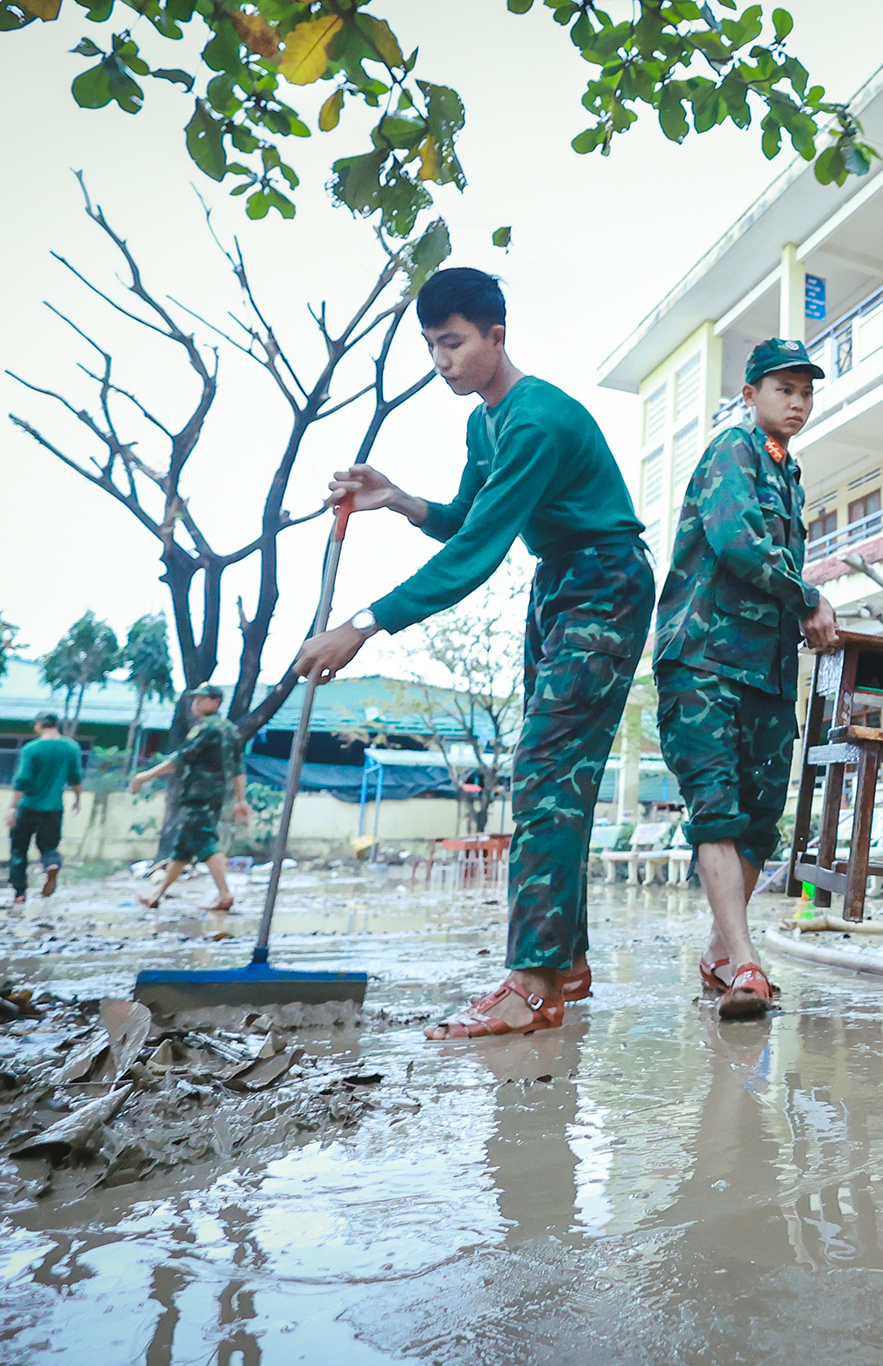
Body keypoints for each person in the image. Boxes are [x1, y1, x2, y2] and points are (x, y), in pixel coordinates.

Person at [292, 267, 654, 1040]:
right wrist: (396, 499)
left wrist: (362, 623)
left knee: (547, 773)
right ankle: (567, 962)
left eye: (452, 342)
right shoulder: (483, 425)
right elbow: (465, 521)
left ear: (496, 336)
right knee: (557, 775)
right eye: (431, 346)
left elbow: (477, 557)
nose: (441, 360)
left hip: (606, 580)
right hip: (559, 581)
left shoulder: (535, 421)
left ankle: (531, 984)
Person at [653, 338, 840, 1018]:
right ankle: (747, 963)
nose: (796, 400)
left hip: (763, 669)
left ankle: (721, 956)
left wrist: (801, 609)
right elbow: (737, 544)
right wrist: (809, 595)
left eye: (806, 390)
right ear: (750, 395)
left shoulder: (788, 472)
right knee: (718, 808)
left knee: (760, 822)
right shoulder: (732, 450)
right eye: (783, 388)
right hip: (702, 658)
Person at [129, 683, 249, 910]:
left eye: (202, 699)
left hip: (198, 794)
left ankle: (224, 894)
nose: (196, 703)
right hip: (215, 796)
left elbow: (182, 758)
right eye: (195, 699)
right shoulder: (231, 729)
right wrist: (240, 798)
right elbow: (237, 768)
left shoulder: (206, 729)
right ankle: (156, 894)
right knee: (183, 848)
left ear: (216, 702)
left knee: (206, 844)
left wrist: (146, 775)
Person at [4, 712, 83, 907]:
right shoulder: (71, 747)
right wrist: (78, 799)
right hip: (54, 808)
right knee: (49, 847)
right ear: (57, 725)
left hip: (28, 806)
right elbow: (75, 776)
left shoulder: (31, 748)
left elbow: (23, 779)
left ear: (39, 725)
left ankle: (19, 893)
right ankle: (52, 865)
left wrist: (12, 807)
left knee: (19, 849)